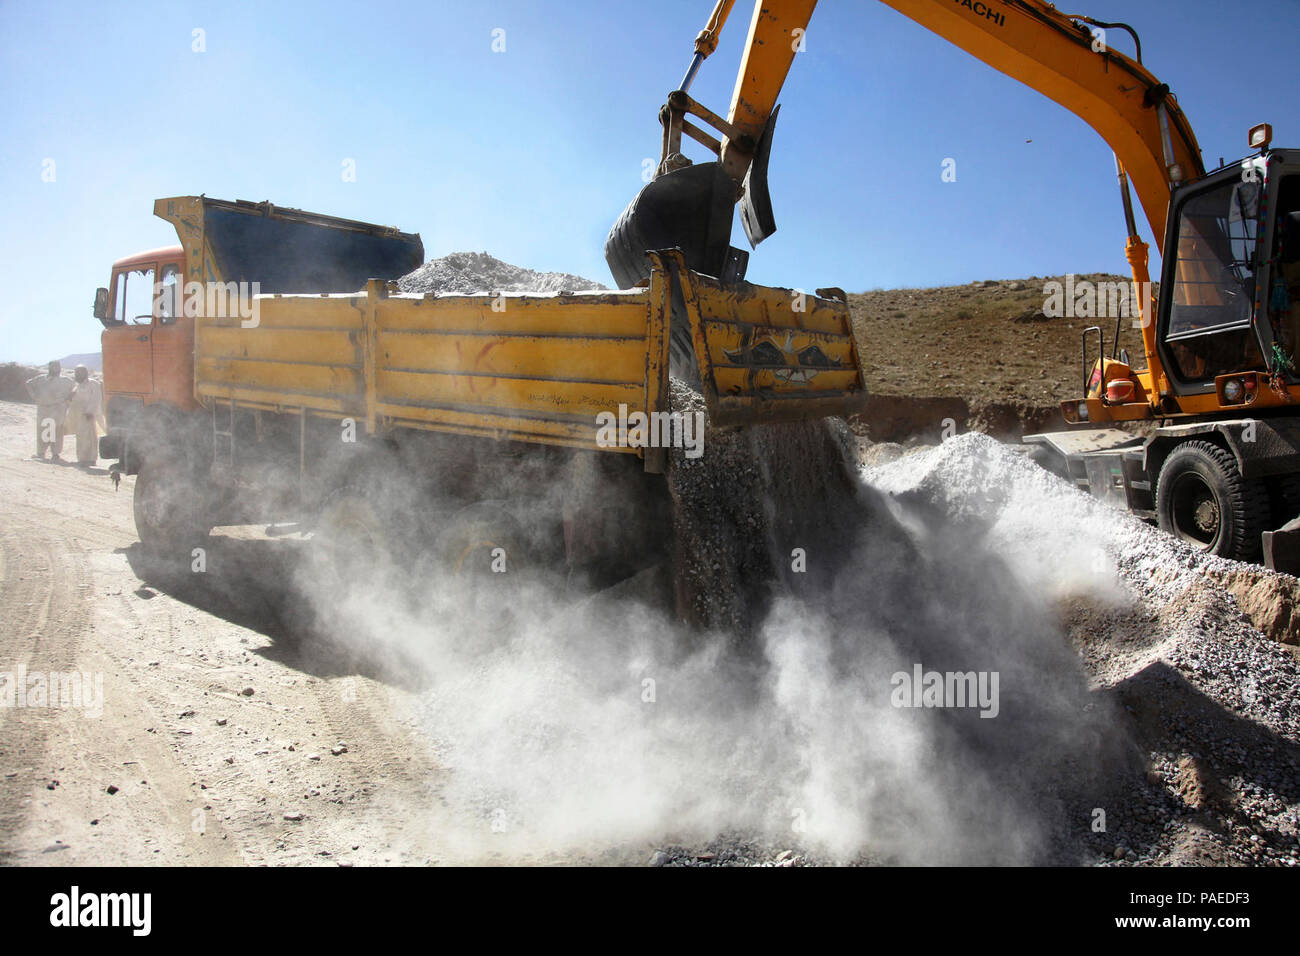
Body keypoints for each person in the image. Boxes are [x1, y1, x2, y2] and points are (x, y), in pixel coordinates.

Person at [25, 361, 75, 461]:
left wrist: (68, 399)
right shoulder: (41, 378)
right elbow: (28, 383)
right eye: (53, 367)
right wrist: (34, 396)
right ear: (49, 367)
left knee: (56, 431)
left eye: (57, 367)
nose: (55, 368)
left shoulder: (65, 380)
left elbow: (75, 388)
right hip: (43, 408)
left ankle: (55, 454)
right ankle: (41, 452)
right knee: (43, 429)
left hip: (58, 409)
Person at [66, 365, 106, 466]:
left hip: (89, 415)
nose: (77, 375)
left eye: (79, 372)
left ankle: (91, 459)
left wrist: (90, 411)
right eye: (76, 373)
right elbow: (73, 400)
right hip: (79, 415)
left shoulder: (93, 384)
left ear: (85, 373)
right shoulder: (77, 386)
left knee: (90, 437)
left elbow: (96, 398)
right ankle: (82, 459)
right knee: (80, 437)